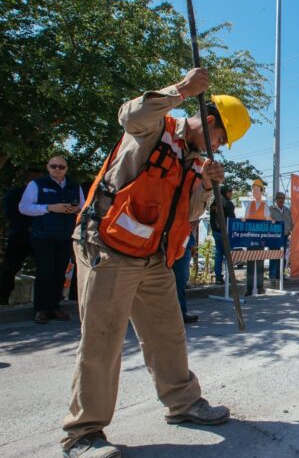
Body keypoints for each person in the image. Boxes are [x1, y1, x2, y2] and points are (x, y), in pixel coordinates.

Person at [63, 68, 251, 457]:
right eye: (220, 139)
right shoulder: (156, 127)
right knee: (102, 339)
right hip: (108, 247)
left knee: (168, 333)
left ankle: (182, 404)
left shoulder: (195, 161)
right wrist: (182, 90)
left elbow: (190, 214)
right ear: (209, 121)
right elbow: (128, 116)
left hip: (152, 258)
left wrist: (204, 186)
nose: (217, 147)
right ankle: (83, 433)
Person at [19, 156, 84, 324]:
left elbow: (84, 207)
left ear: (66, 169)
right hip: (43, 235)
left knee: (59, 272)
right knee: (44, 272)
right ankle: (41, 309)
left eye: (61, 167)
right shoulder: (37, 185)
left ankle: (55, 307)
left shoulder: (74, 186)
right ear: (48, 167)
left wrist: (76, 209)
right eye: (53, 166)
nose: (57, 169)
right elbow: (24, 207)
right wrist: (49, 208)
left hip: (65, 235)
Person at [0, 168, 43, 304]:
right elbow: (11, 214)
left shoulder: (44, 195)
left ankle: (43, 301)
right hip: (19, 237)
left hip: (41, 237)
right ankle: (2, 299)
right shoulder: (15, 194)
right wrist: (27, 227)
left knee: (44, 268)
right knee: (10, 268)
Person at [244, 177, 269, 296]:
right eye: (253, 190)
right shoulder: (250, 205)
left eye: (257, 190)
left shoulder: (265, 206)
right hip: (250, 238)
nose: (254, 192)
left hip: (261, 239)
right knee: (250, 262)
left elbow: (269, 221)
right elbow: (245, 219)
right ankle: (249, 289)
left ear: (262, 191)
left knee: (259, 262)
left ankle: (260, 287)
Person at [172, 225, 198, 323]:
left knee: (180, 280)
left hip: (183, 240)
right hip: (172, 240)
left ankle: (180, 312)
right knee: (179, 280)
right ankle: (179, 313)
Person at [210, 185, 235, 284]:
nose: (232, 193)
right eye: (231, 191)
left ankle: (218, 278)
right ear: (227, 192)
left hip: (215, 231)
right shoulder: (228, 203)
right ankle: (230, 277)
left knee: (218, 254)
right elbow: (232, 219)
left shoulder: (213, 203)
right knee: (229, 255)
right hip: (225, 232)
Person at [269, 191, 292, 281]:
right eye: (280, 198)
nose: (281, 200)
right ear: (276, 199)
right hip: (274, 236)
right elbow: (268, 221)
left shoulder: (287, 210)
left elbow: (290, 221)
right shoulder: (270, 209)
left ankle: (280, 275)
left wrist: (290, 230)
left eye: (283, 198)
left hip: (284, 235)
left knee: (282, 256)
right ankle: (272, 275)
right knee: (274, 255)